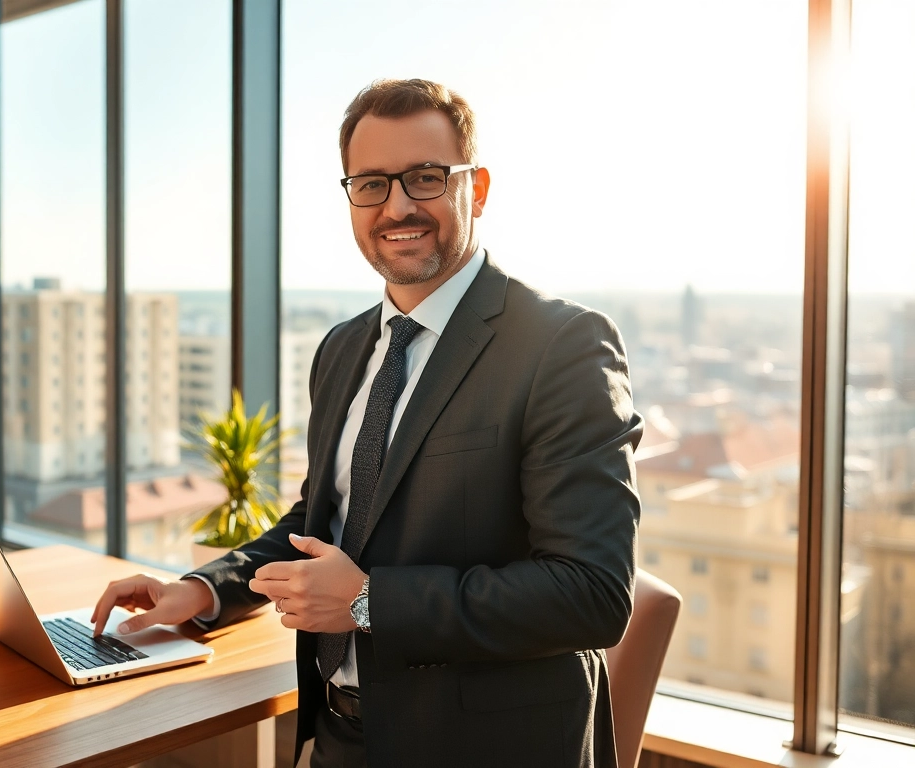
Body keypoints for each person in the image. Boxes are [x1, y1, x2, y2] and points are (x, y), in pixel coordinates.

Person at [91, 78, 642, 768]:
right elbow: (328, 521)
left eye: (426, 178)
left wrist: (370, 602)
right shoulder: (345, 348)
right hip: (345, 739)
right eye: (372, 184)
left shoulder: (562, 345)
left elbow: (591, 594)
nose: (399, 206)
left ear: (478, 189)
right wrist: (201, 590)